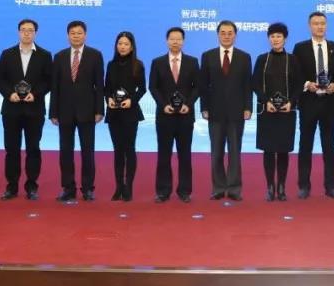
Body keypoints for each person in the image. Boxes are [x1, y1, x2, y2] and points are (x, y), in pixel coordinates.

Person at [0, 19, 53, 201]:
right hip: (11, 109)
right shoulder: (7, 54)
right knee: (12, 149)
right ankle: (11, 187)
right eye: (23, 30)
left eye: (30, 30)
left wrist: (36, 94)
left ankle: (32, 186)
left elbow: (48, 80)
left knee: (33, 149)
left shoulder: (44, 55)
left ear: (36, 33)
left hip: (34, 109)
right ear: (18, 32)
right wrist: (8, 93)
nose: (27, 33)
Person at [292, 11, 334, 199]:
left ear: (326, 25)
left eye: (322, 23)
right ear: (309, 26)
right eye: (316, 23)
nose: (319, 26)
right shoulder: (300, 48)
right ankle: (304, 186)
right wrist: (307, 84)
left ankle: (331, 186)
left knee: (329, 146)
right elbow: (296, 73)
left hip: (329, 102)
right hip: (308, 102)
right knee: (305, 144)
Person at [50, 20, 105, 202]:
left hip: (87, 111)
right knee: (65, 152)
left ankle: (88, 188)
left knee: (87, 151)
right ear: (68, 36)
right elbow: (55, 87)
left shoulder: (95, 55)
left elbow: (100, 85)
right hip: (64, 111)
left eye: (79, 33)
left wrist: (99, 110)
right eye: (73, 33)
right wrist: (53, 112)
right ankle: (68, 188)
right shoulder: (59, 56)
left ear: (85, 35)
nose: (76, 36)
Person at [199, 20, 253, 201]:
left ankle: (234, 188)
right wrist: (204, 107)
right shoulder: (208, 56)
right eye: (223, 33)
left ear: (235, 35)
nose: (226, 36)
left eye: (230, 33)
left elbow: (247, 85)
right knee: (216, 152)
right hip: (215, 111)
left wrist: (248, 107)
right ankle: (218, 188)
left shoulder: (244, 57)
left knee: (235, 152)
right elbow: (203, 85)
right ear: (218, 35)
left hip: (237, 111)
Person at [149, 26, 200, 203]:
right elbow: (153, 87)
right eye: (172, 39)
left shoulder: (192, 62)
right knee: (164, 155)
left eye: (178, 39)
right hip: (165, 116)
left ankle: (184, 191)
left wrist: (188, 104)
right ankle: (163, 191)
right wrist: (163, 105)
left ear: (183, 41)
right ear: (167, 41)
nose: (175, 42)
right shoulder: (157, 62)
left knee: (185, 155)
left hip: (185, 116)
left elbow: (197, 87)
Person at [252, 23, 302, 202]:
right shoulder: (262, 59)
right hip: (267, 111)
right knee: (268, 150)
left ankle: (281, 187)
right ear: (268, 39)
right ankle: (270, 187)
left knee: (283, 150)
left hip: (287, 111)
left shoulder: (293, 60)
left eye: (279, 36)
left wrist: (291, 102)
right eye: (272, 36)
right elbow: (255, 83)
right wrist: (266, 101)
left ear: (285, 38)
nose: (275, 39)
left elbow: (299, 85)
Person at [104, 31, 147, 202]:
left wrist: (131, 101)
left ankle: (128, 187)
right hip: (114, 112)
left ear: (132, 47)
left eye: (126, 44)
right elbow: (106, 88)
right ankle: (118, 186)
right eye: (120, 43)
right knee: (118, 150)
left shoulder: (138, 65)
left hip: (130, 112)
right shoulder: (111, 64)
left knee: (129, 149)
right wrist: (108, 99)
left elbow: (142, 89)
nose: (122, 47)